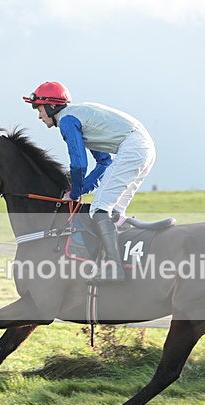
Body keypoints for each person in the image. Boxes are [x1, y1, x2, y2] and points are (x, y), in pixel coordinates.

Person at [23, 81, 156, 283]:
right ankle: (116, 261)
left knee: (99, 209)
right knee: (114, 213)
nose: (38, 115)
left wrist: (75, 192)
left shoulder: (67, 120)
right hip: (143, 148)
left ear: (50, 106)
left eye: (39, 108)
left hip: (133, 148)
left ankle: (114, 269)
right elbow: (103, 163)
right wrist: (83, 188)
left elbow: (78, 165)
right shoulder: (78, 116)